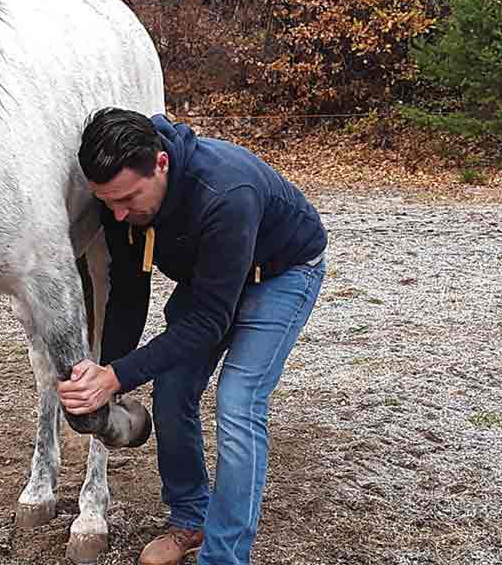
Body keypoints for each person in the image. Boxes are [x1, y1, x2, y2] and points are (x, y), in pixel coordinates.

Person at [58, 108, 327, 565]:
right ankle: (192, 520)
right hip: (214, 279)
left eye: (127, 199)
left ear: (160, 163)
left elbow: (207, 321)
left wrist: (118, 376)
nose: (120, 213)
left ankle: (224, 555)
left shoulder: (225, 193)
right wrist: (105, 371)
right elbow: (128, 290)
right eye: (109, 203)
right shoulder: (119, 200)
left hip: (281, 274)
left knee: (238, 403)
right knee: (173, 390)